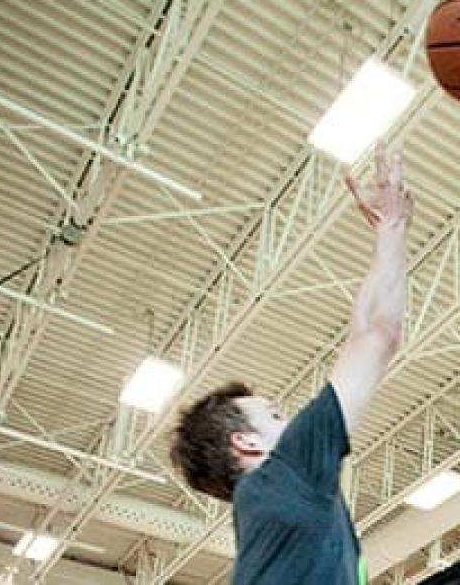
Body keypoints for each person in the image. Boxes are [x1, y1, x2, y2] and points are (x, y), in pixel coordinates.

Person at [169, 141, 412, 585]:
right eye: (276, 415)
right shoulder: (285, 476)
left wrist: (386, 238)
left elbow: (362, 334)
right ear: (246, 442)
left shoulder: (275, 503)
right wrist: (394, 227)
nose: (292, 421)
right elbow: (378, 337)